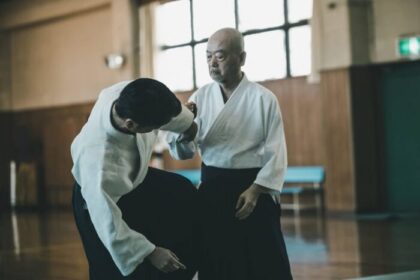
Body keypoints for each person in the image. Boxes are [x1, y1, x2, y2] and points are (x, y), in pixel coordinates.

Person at [167, 28, 293, 280]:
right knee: (217, 260)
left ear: (241, 58)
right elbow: (183, 152)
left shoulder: (263, 98)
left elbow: (276, 151)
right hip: (213, 189)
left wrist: (257, 190)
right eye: (208, 56)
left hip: (253, 188)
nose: (212, 63)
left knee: (263, 261)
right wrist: (185, 128)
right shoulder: (199, 97)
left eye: (220, 56)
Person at [71, 78, 199, 280]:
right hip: (98, 205)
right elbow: (107, 222)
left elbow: (166, 110)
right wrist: (150, 251)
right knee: (111, 271)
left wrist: (188, 123)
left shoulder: (129, 93)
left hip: (134, 179)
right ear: (131, 125)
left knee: (181, 191)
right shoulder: (98, 162)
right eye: (153, 127)